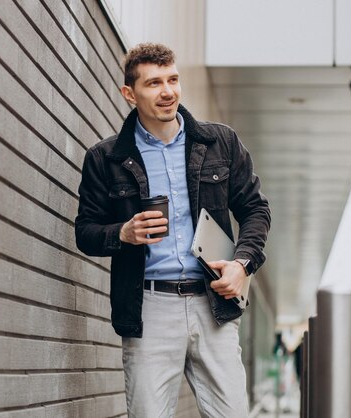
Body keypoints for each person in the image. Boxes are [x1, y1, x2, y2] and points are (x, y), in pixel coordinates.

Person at [75, 43, 270, 417]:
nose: (167, 92)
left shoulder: (221, 143)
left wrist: (242, 263)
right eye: (153, 83)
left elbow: (256, 209)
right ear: (129, 94)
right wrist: (123, 233)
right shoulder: (105, 158)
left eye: (173, 79)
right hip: (149, 309)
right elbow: (85, 231)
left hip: (212, 306)